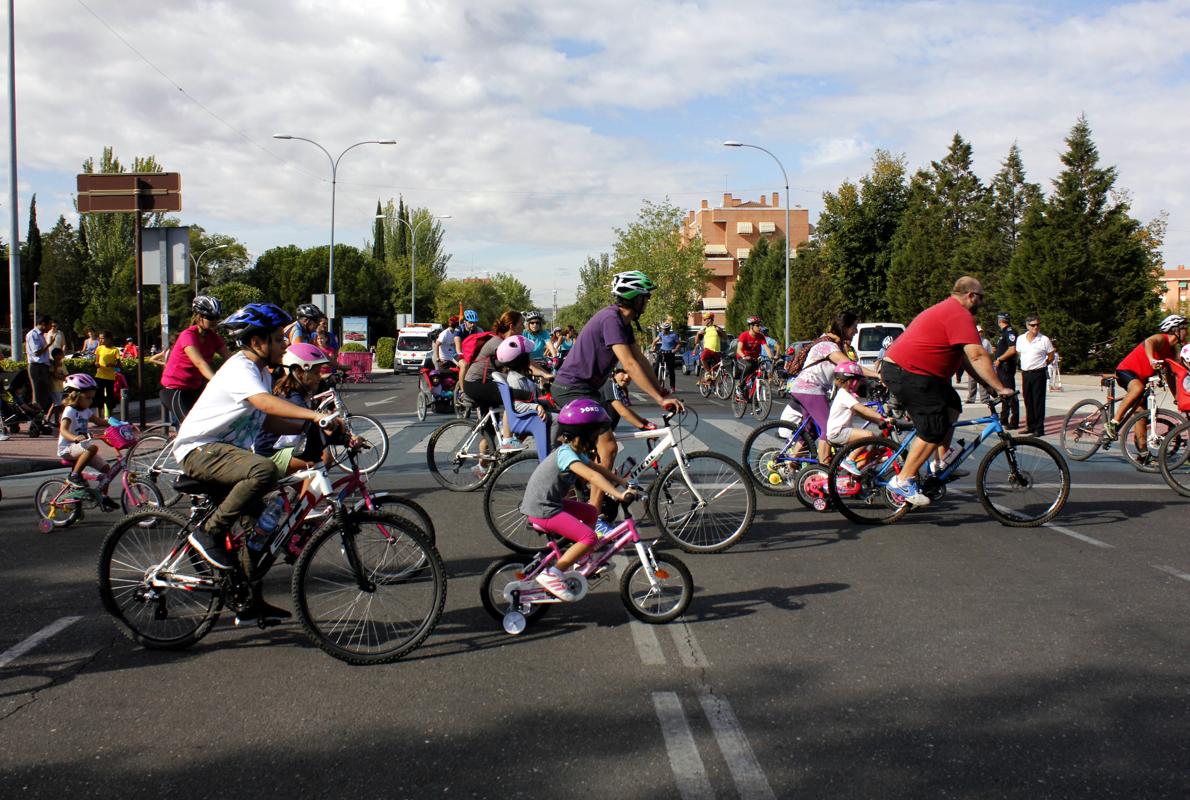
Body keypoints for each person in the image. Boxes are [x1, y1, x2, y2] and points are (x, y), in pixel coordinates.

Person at [175, 303, 334, 597]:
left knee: (262, 533)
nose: (284, 344)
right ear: (256, 342)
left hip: (225, 454)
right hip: (200, 450)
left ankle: (244, 598)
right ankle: (208, 532)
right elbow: (264, 403)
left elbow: (267, 420)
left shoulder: (261, 372)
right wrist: (313, 416)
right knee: (265, 469)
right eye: (277, 339)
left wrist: (309, 427)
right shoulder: (241, 367)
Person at [551, 270, 683, 532]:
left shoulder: (623, 323)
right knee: (608, 449)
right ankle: (593, 518)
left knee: (595, 451)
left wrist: (663, 392)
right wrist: (658, 399)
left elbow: (642, 360)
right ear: (634, 298)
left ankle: (583, 493)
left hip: (585, 389)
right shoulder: (611, 319)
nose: (647, 302)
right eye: (645, 297)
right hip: (573, 388)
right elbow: (630, 364)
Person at [881, 277, 1014, 506]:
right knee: (934, 426)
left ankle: (939, 462)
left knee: (952, 404)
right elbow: (977, 355)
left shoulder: (950, 311)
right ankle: (903, 480)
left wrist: (988, 385)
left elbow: (964, 361)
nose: (982, 303)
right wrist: (1001, 387)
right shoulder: (959, 315)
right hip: (909, 372)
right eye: (981, 298)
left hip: (916, 373)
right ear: (971, 295)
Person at [519, 400, 637, 601]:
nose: (596, 437)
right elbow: (593, 477)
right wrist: (618, 494)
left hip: (551, 503)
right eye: (594, 433)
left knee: (591, 512)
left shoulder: (573, 451)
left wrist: (621, 481)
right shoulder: (566, 455)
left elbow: (598, 468)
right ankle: (553, 574)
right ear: (584, 434)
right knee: (589, 537)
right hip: (543, 509)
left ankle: (582, 558)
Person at [788, 311, 878, 464]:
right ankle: (824, 469)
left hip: (806, 388)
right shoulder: (827, 345)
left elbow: (849, 375)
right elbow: (850, 367)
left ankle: (790, 461)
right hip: (810, 388)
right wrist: (877, 375)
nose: (856, 331)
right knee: (828, 429)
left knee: (810, 431)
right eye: (854, 327)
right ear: (844, 327)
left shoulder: (837, 345)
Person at [1101, 314, 1188, 465]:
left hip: (1141, 378)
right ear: (1175, 330)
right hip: (1127, 371)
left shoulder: (1172, 351)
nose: (1187, 331)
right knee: (1138, 388)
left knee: (1140, 416)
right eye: (1184, 328)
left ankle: (1143, 455)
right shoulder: (1161, 339)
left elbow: (1170, 375)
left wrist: (1177, 397)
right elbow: (1149, 343)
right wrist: (1151, 359)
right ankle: (1113, 423)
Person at [160, 296, 232, 425]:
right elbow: (200, 363)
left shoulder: (213, 338)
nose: (215, 321)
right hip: (176, 390)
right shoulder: (188, 335)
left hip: (194, 388)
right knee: (190, 426)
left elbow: (230, 359)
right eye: (210, 318)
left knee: (211, 423)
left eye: (217, 318)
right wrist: (218, 382)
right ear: (199, 317)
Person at [56, 374, 116, 506]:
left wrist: (118, 423)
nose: (91, 401)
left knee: (107, 470)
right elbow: (63, 430)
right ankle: (74, 476)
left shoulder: (86, 411)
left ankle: (102, 497)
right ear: (75, 396)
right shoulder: (69, 410)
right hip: (67, 448)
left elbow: (100, 421)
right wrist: (75, 438)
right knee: (92, 448)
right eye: (88, 398)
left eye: (92, 398)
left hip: (83, 449)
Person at [826, 361, 891, 476]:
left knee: (870, 447)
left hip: (841, 431)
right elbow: (863, 410)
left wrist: (878, 421)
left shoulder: (846, 395)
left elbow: (863, 415)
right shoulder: (844, 395)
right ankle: (850, 460)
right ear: (852, 381)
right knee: (869, 436)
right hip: (838, 432)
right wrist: (883, 417)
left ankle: (858, 473)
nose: (860, 384)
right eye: (859, 381)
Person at [491, 334, 551, 452]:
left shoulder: (522, 376)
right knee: (556, 422)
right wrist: (536, 406)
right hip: (525, 418)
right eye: (528, 356)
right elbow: (516, 405)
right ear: (522, 360)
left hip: (529, 414)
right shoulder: (515, 380)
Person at [1016, 314, 1055, 437]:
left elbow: (1051, 355)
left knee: (1038, 401)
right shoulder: (1021, 339)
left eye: (1038, 324)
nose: (1036, 327)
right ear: (1027, 326)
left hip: (1038, 373)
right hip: (1026, 373)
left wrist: (1043, 364)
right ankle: (1030, 425)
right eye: (1033, 325)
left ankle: (1039, 428)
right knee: (1028, 400)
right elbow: (1019, 352)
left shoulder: (1044, 339)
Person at [600, 367, 657, 433]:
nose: (627, 376)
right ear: (614, 374)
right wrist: (643, 427)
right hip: (599, 431)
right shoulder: (610, 385)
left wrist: (644, 422)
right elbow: (622, 410)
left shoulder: (617, 388)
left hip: (605, 430)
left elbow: (626, 409)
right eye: (623, 373)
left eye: (630, 374)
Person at [733, 316, 774, 397]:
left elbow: (766, 348)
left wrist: (772, 357)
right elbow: (739, 350)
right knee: (748, 366)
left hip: (754, 359)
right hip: (742, 359)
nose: (759, 327)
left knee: (759, 372)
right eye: (757, 325)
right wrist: (744, 356)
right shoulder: (744, 335)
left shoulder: (761, 336)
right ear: (751, 326)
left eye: (760, 325)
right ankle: (740, 387)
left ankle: (756, 402)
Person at [992, 312, 1019, 429]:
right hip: (1002, 368)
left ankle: (1012, 421)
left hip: (1006, 367)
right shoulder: (1003, 333)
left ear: (1000, 320)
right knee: (1004, 393)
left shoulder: (1009, 331)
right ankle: (1004, 419)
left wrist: (1000, 358)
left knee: (1009, 394)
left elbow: (1012, 349)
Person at [24, 316, 53, 410]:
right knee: (37, 393)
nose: (50, 328)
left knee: (44, 394)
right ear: (43, 324)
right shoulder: (33, 334)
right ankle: (36, 419)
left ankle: (41, 418)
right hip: (36, 367)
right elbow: (37, 352)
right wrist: (49, 344)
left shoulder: (41, 335)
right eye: (49, 325)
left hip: (43, 366)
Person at [93, 331, 121, 418]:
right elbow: (96, 361)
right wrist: (96, 364)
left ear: (109, 339)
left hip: (110, 377)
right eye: (100, 338)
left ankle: (110, 416)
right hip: (99, 376)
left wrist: (112, 365)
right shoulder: (99, 348)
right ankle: (99, 416)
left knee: (110, 397)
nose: (101, 340)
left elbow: (119, 364)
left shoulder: (115, 350)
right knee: (98, 396)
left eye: (103, 338)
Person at [966, 325, 993, 403]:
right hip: (973, 364)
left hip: (983, 364)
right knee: (972, 382)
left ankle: (985, 398)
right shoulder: (969, 341)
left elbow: (990, 353)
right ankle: (971, 398)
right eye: (978, 332)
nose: (980, 333)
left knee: (983, 381)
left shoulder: (985, 341)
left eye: (981, 332)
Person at [651, 321, 681, 392]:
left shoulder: (674, 335)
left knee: (671, 371)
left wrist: (675, 349)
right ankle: (654, 384)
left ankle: (672, 387)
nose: (663, 330)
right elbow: (654, 341)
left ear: (668, 329)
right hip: (662, 351)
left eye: (665, 329)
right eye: (663, 329)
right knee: (656, 367)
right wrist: (653, 347)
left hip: (670, 352)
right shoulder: (661, 334)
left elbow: (679, 344)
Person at [695, 313, 723, 387]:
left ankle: (713, 383)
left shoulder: (716, 328)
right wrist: (698, 334)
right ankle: (707, 373)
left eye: (705, 319)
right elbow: (696, 342)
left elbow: (725, 337)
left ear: (710, 319)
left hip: (717, 351)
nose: (705, 321)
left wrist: (720, 332)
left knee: (717, 370)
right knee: (703, 357)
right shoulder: (704, 329)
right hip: (708, 349)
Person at [48, 347, 67, 424]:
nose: (63, 355)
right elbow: (53, 374)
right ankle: (48, 418)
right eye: (61, 354)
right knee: (58, 404)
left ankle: (56, 420)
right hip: (54, 387)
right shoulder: (52, 365)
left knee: (56, 404)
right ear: (56, 356)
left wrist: (63, 377)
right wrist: (56, 367)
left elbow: (66, 374)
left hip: (61, 387)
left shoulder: (62, 365)